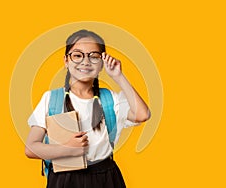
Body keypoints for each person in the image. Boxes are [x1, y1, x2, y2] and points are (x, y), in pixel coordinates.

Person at [25, 29, 150, 188]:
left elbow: (142, 114)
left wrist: (118, 76)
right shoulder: (51, 99)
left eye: (94, 56)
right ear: (66, 60)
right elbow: (31, 148)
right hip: (64, 180)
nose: (85, 61)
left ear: (102, 63)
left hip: (106, 179)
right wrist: (68, 149)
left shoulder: (110, 99)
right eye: (77, 55)